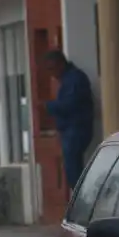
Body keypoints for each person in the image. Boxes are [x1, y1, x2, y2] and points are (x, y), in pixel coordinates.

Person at [42, 49, 95, 189]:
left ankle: (81, 197)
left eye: (52, 68)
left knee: (73, 169)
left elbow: (69, 105)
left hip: (76, 129)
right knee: (71, 167)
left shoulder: (74, 79)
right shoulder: (68, 80)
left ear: (60, 64)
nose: (52, 74)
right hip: (70, 130)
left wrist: (48, 106)